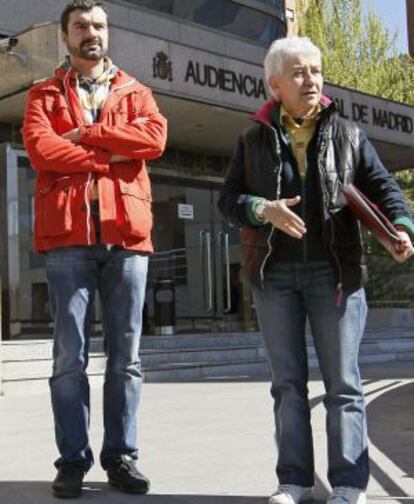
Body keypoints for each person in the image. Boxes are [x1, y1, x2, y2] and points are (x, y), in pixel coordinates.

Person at [218, 36, 414, 504]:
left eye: (317, 71)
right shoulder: (252, 137)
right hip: (274, 278)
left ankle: (348, 485)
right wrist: (263, 209)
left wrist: (402, 227)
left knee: (344, 385)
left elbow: (386, 189)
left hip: (336, 276)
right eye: (300, 72)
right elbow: (228, 201)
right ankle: (294, 482)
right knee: (287, 386)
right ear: (275, 85)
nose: (312, 80)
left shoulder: (349, 134)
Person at [22, 0, 167, 498]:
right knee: (69, 357)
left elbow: (154, 140)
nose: (92, 33)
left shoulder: (137, 91)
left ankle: (121, 457)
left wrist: (86, 135)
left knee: (126, 359)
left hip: (126, 237)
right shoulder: (43, 94)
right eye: (81, 25)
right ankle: (72, 459)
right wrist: (112, 154)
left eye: (99, 25)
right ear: (65, 36)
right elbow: (43, 150)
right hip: (67, 240)